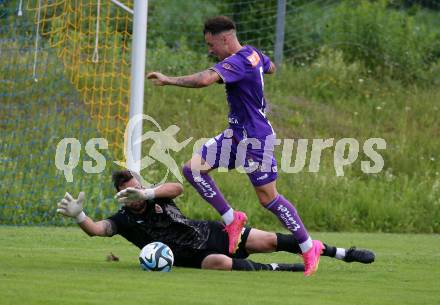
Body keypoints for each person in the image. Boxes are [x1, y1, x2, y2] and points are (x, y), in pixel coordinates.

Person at [147, 16, 323, 275]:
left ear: (226, 39)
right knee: (192, 169)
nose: (210, 50)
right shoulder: (252, 55)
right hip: (235, 135)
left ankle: (309, 247)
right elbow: (270, 66)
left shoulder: (238, 61)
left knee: (268, 199)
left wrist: (169, 80)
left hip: (255, 139)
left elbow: (205, 79)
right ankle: (232, 219)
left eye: (211, 44)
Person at [56, 170, 375, 272]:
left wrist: (149, 192)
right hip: (193, 257)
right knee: (221, 264)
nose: (135, 193)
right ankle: (285, 270)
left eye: (137, 186)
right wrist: (80, 216)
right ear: (121, 195)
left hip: (213, 232)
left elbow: (177, 186)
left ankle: (341, 253)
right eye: (129, 191)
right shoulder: (123, 220)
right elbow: (98, 230)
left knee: (271, 241)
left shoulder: (158, 195)